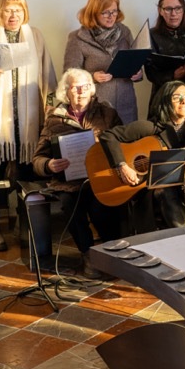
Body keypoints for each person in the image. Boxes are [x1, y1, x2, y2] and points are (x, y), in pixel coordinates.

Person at [0, 0, 56, 251]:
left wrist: (51, 107)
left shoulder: (35, 36)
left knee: (27, 172)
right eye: (7, 10)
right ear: (0, 12)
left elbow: (48, 74)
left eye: (18, 10)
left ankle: (24, 220)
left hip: (29, 119)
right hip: (0, 120)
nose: (13, 15)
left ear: (24, 11)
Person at [30, 69, 122, 275]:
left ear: (92, 90)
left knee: (102, 205)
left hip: (100, 177)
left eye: (86, 87)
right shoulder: (54, 119)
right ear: (66, 92)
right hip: (68, 183)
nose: (81, 91)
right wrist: (49, 165)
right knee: (70, 205)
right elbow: (37, 159)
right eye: (75, 88)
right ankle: (87, 254)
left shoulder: (107, 114)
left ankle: (113, 252)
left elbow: (123, 143)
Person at [100, 81, 185, 230]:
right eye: (177, 97)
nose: (184, 101)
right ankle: (183, 234)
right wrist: (122, 165)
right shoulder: (151, 127)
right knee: (164, 189)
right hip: (152, 187)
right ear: (165, 101)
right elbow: (108, 136)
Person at [63, 0, 143, 125]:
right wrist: (92, 77)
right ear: (93, 13)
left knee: (128, 139)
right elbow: (69, 75)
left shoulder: (125, 32)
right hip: (97, 109)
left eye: (114, 11)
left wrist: (138, 73)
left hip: (126, 106)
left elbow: (135, 61)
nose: (111, 16)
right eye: (105, 12)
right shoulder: (77, 38)